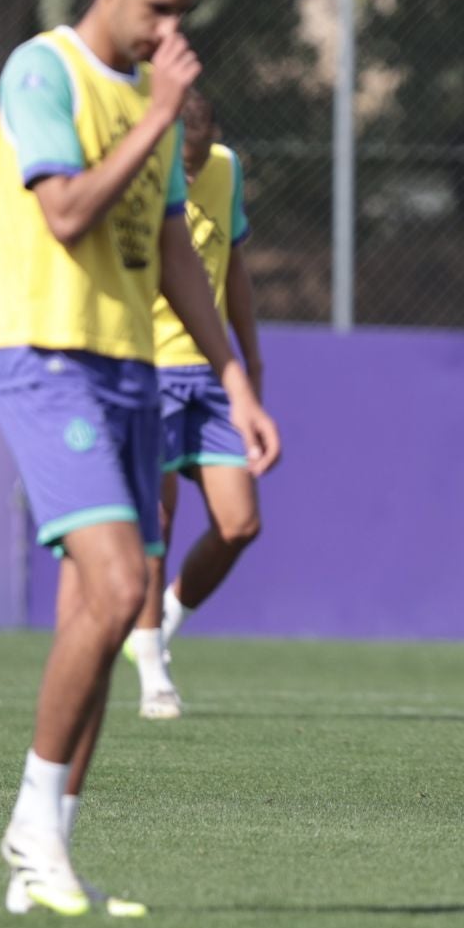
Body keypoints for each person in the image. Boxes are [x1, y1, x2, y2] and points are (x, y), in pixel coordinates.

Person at [0, 0, 280, 916]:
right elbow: (66, 213)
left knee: (95, 611)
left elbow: (173, 256)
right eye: (158, 9)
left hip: (133, 374)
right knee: (119, 589)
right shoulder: (44, 72)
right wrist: (157, 114)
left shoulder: (154, 97)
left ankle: (50, 859)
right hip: (47, 361)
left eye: (182, 14)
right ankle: (30, 822)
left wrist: (237, 380)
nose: (170, 30)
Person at [123, 90, 265, 719]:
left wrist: (251, 364)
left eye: (201, 149)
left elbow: (233, 269)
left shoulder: (227, 168)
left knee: (240, 524)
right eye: (184, 154)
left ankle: (162, 622)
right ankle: (153, 672)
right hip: (149, 366)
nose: (193, 164)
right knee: (157, 521)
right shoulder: (140, 168)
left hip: (211, 373)